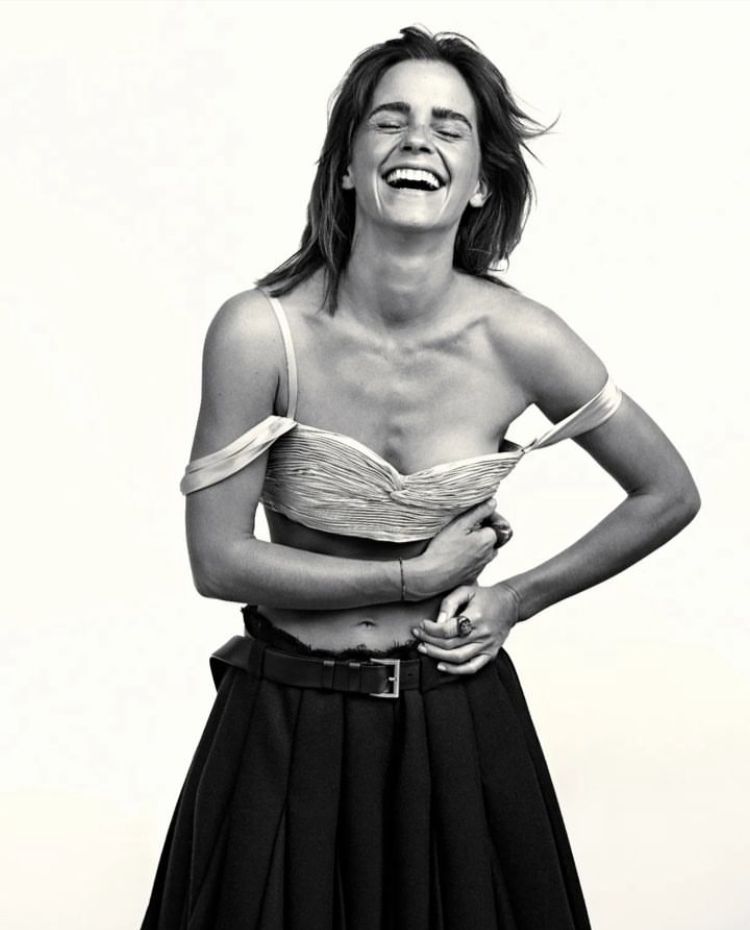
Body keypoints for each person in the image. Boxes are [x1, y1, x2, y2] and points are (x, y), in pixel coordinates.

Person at [140, 26, 700, 930]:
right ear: (347, 166)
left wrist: (516, 598)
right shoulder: (258, 331)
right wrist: (411, 577)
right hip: (283, 728)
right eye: (389, 120)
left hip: (457, 732)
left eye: (449, 126)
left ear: (478, 180)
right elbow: (218, 561)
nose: (418, 140)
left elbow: (668, 492)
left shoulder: (522, 338)